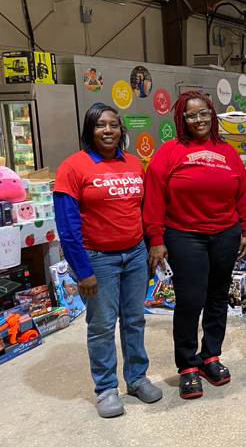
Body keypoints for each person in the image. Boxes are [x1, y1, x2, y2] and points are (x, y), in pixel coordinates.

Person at [143, 90, 246, 399]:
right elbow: (153, 198)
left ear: (212, 114)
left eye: (204, 113)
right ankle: (188, 365)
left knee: (218, 297)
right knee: (190, 301)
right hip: (183, 235)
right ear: (181, 119)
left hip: (225, 234)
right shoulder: (168, 152)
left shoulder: (228, 151)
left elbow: (242, 192)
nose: (199, 119)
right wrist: (155, 238)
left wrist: (245, 230)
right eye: (191, 115)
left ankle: (211, 357)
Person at [54, 104, 162, 418]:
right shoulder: (73, 167)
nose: (108, 130)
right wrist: (82, 270)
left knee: (135, 320)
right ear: (90, 130)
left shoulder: (132, 163)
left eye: (113, 125)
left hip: (135, 254)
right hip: (97, 258)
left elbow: (143, 210)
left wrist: (151, 245)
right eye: (100, 125)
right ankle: (105, 389)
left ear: (120, 130)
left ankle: (137, 378)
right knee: (101, 325)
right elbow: (67, 225)